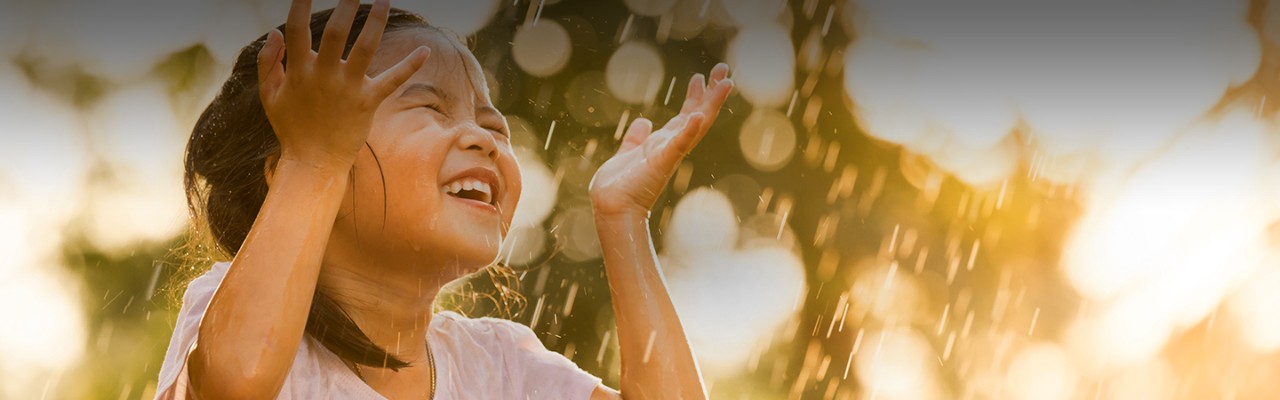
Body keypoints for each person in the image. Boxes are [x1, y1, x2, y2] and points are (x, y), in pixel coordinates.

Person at [155, 0, 734, 398]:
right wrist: (313, 162)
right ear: (289, 174)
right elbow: (238, 383)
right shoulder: (228, 316)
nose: (484, 137)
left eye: (493, 123)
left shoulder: (500, 368)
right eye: (430, 108)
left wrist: (623, 217)